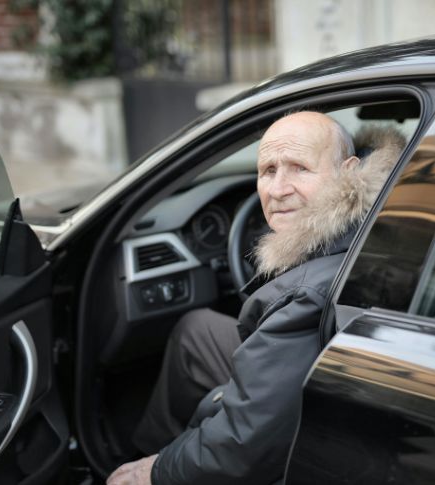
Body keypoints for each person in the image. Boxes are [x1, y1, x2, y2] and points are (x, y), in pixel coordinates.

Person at [107, 111, 405, 485]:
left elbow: (244, 444)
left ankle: (145, 463)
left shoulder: (306, 295)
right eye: (268, 171)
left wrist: (157, 470)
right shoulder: (381, 216)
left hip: (315, 431)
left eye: (299, 168)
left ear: (348, 171)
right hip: (337, 382)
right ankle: (154, 447)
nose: (278, 190)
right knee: (196, 331)